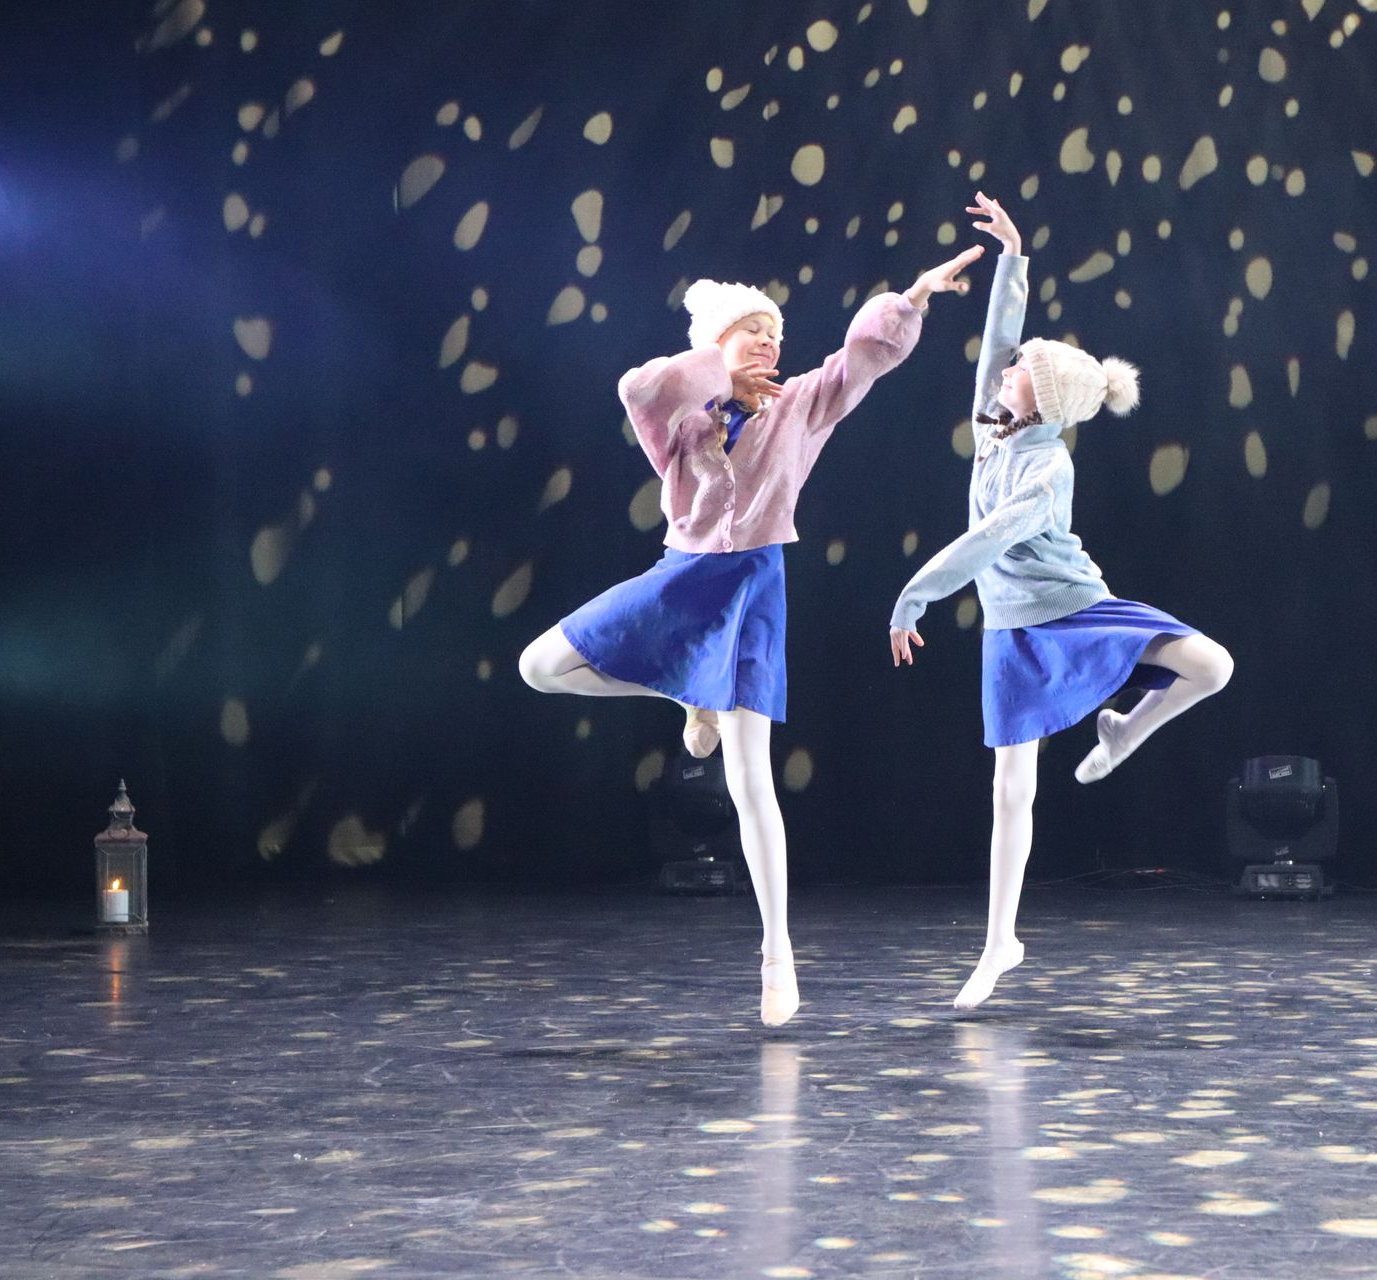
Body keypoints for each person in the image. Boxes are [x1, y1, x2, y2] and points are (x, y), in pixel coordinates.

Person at [522, 245, 985, 1025]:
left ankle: (778, 956)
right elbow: (638, 386)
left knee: (750, 783)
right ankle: (685, 693)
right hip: (680, 578)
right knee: (541, 666)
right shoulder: (682, 418)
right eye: (754, 331)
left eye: (776, 333)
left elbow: (862, 360)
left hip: (753, 589)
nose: (771, 342)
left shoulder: (800, 403)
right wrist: (719, 375)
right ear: (718, 341)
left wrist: (912, 296)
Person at [889, 193, 1234, 1011]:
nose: (1006, 367)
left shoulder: (1048, 467)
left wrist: (914, 596)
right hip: (1013, 631)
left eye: (1021, 369)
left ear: (1039, 397)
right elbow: (999, 341)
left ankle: (1125, 730)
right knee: (1012, 790)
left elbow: (988, 540)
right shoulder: (993, 425)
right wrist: (1015, 257)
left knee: (1213, 665)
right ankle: (999, 942)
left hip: (1076, 611)